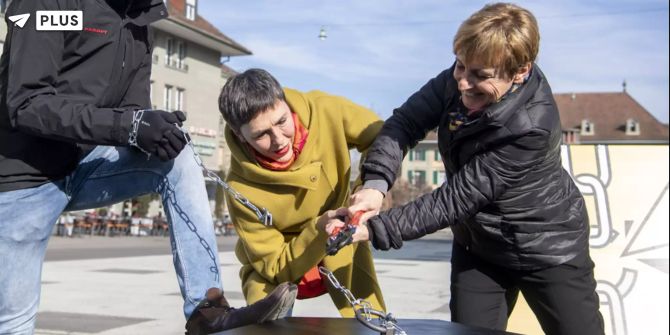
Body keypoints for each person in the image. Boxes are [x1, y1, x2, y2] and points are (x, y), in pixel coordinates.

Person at [0, 1, 295, 334]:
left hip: (86, 166)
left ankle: (207, 310)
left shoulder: (140, 21)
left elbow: (132, 110)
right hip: (23, 177)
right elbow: (26, 104)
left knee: (178, 158)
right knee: (12, 323)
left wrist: (154, 132)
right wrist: (130, 125)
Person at [341, 3, 605, 334]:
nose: (463, 83)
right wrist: (374, 186)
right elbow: (404, 123)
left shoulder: (532, 125)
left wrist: (376, 229)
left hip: (548, 248)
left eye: (480, 75)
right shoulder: (456, 80)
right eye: (461, 66)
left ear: (520, 71)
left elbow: (456, 199)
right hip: (479, 248)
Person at [218, 68, 386, 316]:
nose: (279, 140)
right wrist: (318, 229)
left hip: (341, 236)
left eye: (282, 121)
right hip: (277, 264)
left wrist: (370, 186)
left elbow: (384, 136)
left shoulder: (326, 110)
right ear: (240, 137)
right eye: (261, 134)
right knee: (263, 326)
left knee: (371, 322)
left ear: (284, 102)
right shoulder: (240, 188)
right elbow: (273, 265)